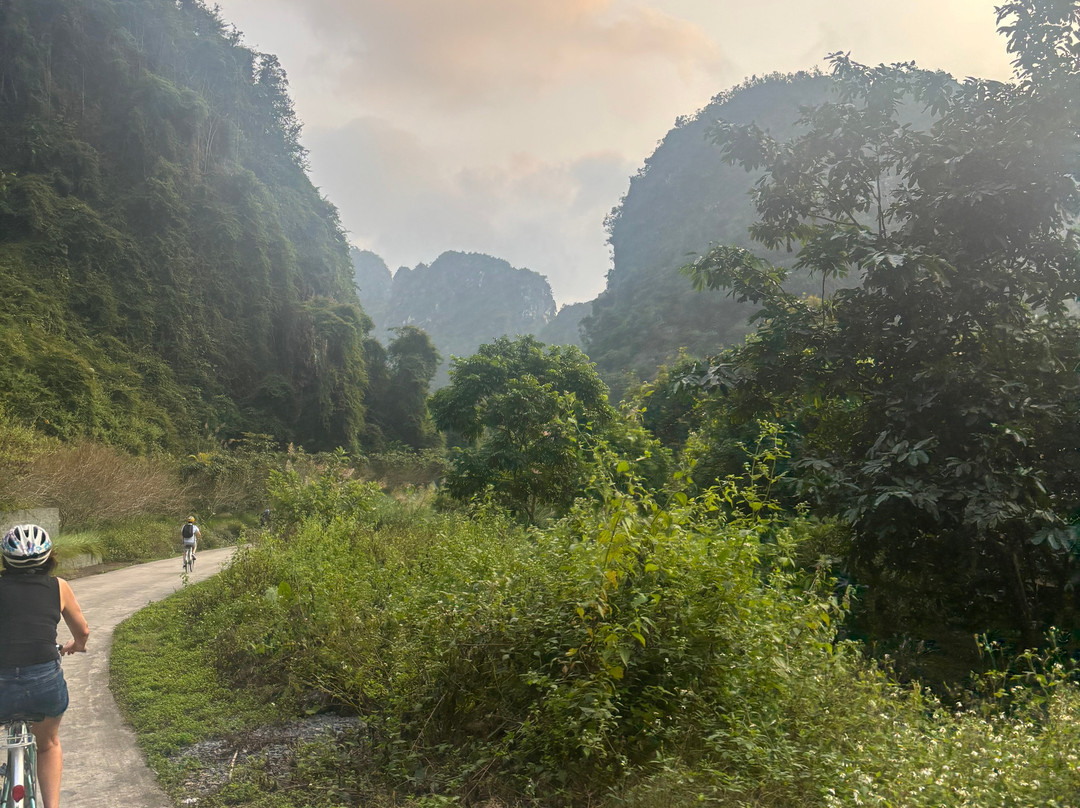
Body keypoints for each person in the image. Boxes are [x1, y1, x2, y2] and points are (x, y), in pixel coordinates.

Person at [0, 524, 90, 808]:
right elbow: (83, 632)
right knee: (48, 743)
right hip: (44, 684)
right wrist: (77, 646)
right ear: (50, 558)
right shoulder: (58, 587)